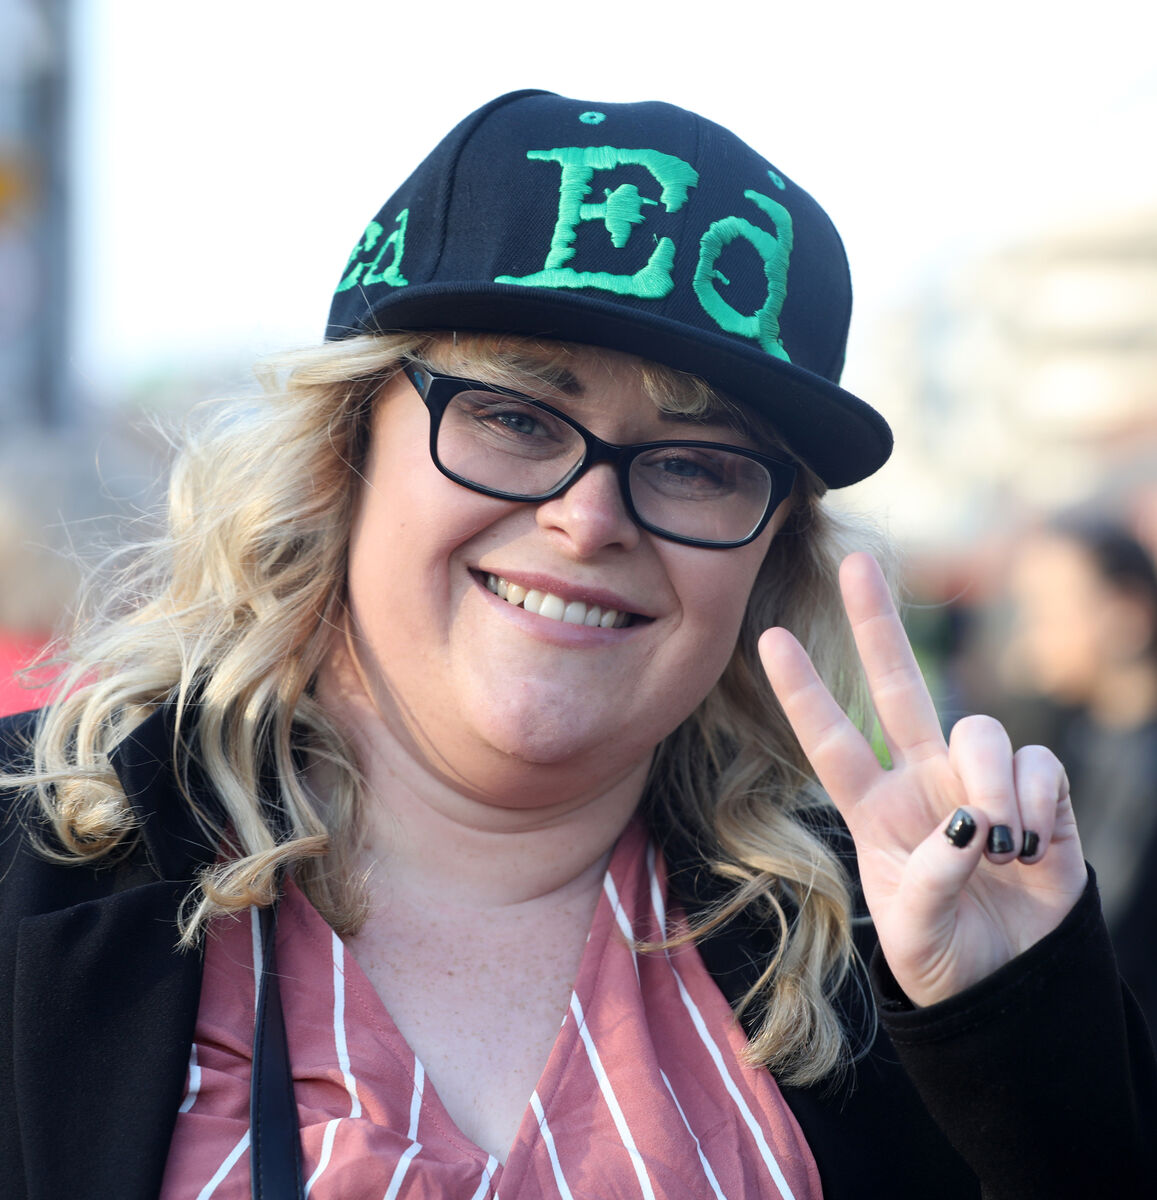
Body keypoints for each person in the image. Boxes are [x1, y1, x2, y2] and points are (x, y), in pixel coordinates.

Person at [0, 90, 1152, 1200]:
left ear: (767, 558)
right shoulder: (31, 859)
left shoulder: (881, 949)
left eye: (697, 463)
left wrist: (1023, 1051)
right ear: (341, 452)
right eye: (513, 416)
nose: (587, 519)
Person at [999, 517, 1157, 1033]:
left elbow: (1101, 929)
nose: (1026, 640)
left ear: (1128, 614)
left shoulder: (1135, 761)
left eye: (1048, 613)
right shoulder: (1071, 733)